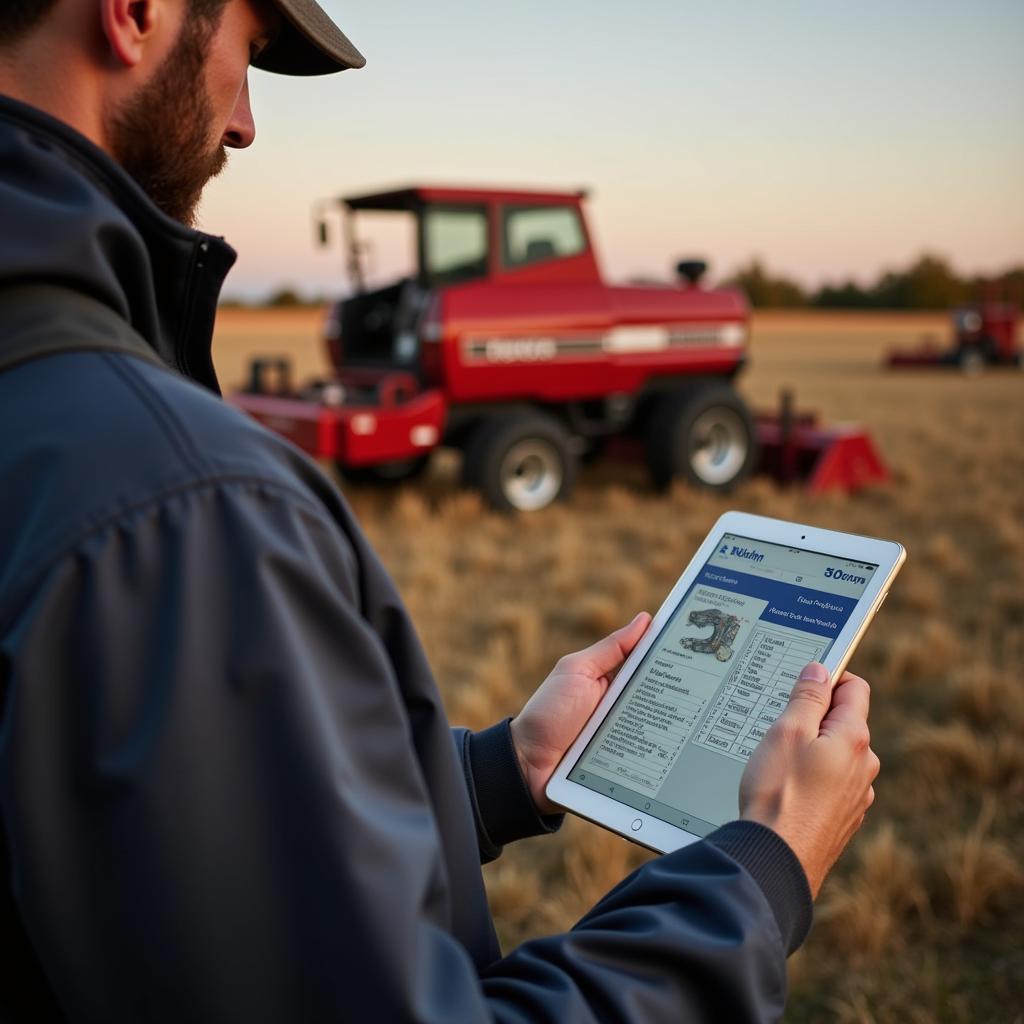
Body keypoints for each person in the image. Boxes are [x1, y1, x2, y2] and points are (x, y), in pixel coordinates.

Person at [0, 1, 880, 1020]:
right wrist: (760, 876)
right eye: (246, 53)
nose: (244, 122)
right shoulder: (181, 507)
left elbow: (167, 860)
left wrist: (498, 774)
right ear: (137, 11)